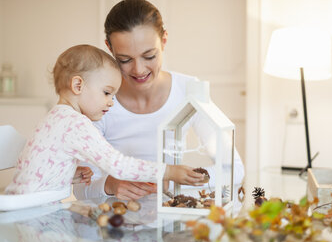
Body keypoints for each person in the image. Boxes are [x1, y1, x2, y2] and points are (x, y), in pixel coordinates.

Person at [73, 0, 245, 201]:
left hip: (172, 222)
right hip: (116, 222)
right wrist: (109, 185)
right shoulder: (97, 101)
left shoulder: (189, 90)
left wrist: (169, 180)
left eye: (149, 56)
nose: (139, 70)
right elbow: (80, 189)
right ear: (109, 48)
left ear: (164, 40)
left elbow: (234, 169)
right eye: (125, 60)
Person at [5, 45, 204, 195]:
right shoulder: (76, 123)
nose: (111, 102)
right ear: (78, 85)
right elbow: (118, 165)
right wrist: (167, 171)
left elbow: (34, 167)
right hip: (36, 214)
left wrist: (66, 173)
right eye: (107, 93)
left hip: (17, 204)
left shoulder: (52, 118)